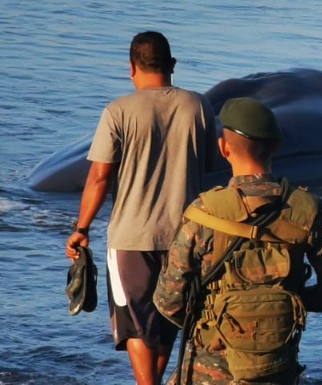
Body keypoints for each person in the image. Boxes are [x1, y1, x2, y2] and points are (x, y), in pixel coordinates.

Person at [153, 97, 322, 384]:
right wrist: (284, 304)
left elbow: (168, 301)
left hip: (209, 371)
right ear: (276, 145)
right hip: (278, 369)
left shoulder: (204, 213)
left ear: (223, 148)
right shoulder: (310, 210)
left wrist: (220, 315)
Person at [64, 32, 217, 385]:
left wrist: (82, 228)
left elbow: (100, 178)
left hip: (131, 237)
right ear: (172, 66)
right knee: (167, 323)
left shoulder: (118, 111)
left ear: (131, 67)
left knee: (135, 325)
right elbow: (208, 164)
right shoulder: (198, 106)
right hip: (185, 236)